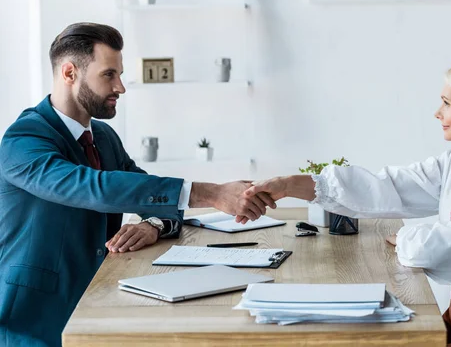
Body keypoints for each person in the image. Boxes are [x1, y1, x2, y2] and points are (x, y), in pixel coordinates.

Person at [244, 54, 451, 346]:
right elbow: (391, 187)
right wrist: (290, 184)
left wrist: (406, 236)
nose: (437, 112)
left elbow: (437, 250)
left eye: (446, 103)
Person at [0, 22, 275, 347]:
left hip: (99, 304)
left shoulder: (102, 136)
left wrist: (154, 223)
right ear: (70, 73)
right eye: (109, 75)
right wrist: (213, 193)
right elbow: (91, 187)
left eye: (119, 74)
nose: (121, 86)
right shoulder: (23, 139)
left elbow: (150, 195)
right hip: (33, 322)